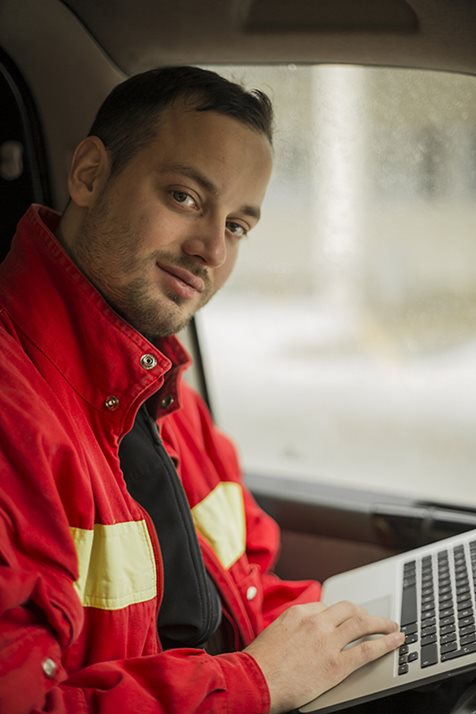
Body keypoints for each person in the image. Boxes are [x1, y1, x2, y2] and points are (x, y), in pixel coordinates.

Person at [0, 65, 404, 714]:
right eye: (186, 197)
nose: (212, 248)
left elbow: (244, 583)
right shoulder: (14, 409)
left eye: (238, 225)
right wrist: (255, 682)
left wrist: (355, 638)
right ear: (89, 175)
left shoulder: (161, 384)